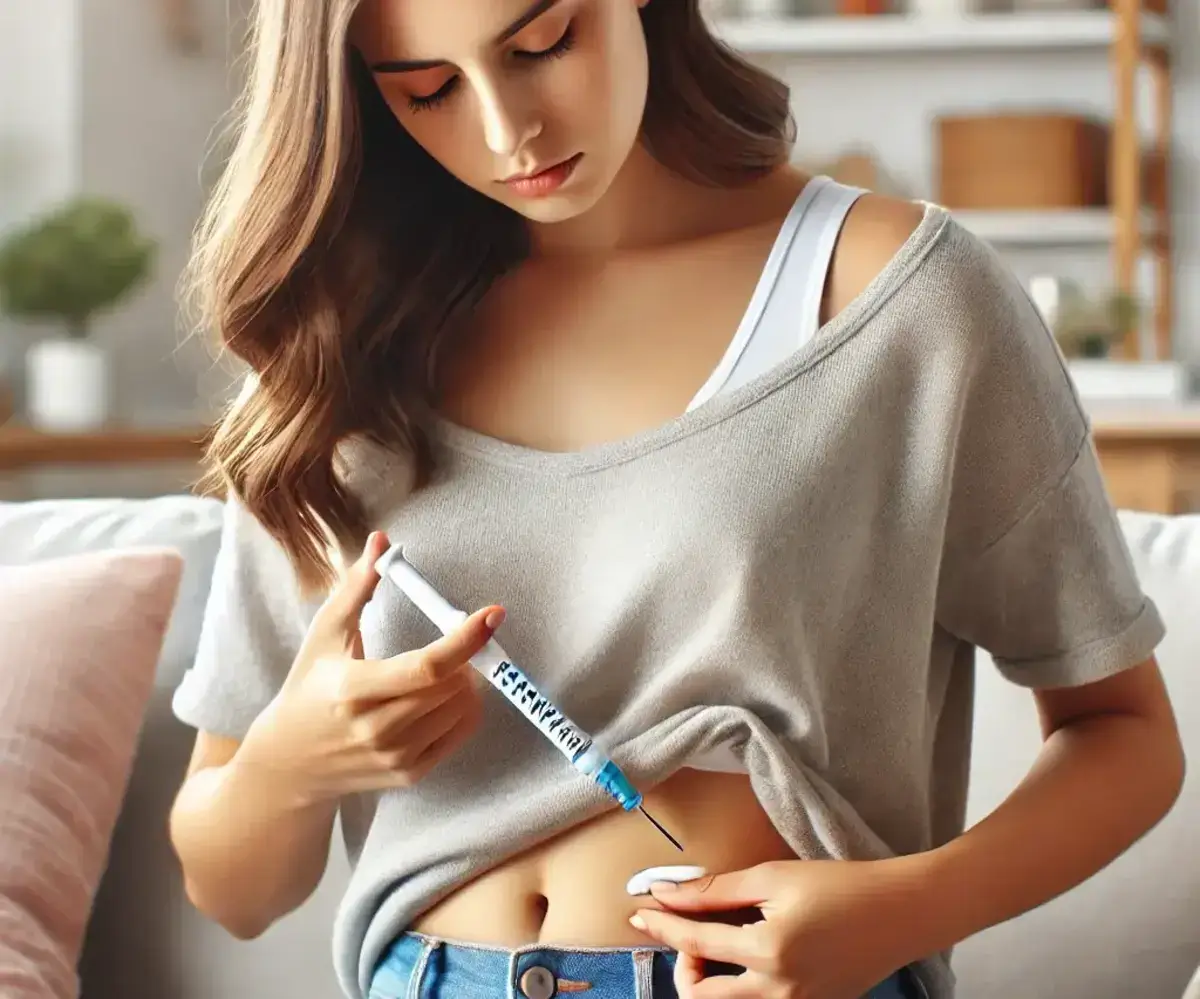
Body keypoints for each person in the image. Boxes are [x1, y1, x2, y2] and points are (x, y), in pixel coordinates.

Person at [167, 1, 1186, 997]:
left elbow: (1127, 738)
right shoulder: (335, 353)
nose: (504, 130)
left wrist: (904, 910)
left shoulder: (899, 299)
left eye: (541, 42)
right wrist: (291, 768)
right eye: (426, 89)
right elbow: (235, 891)